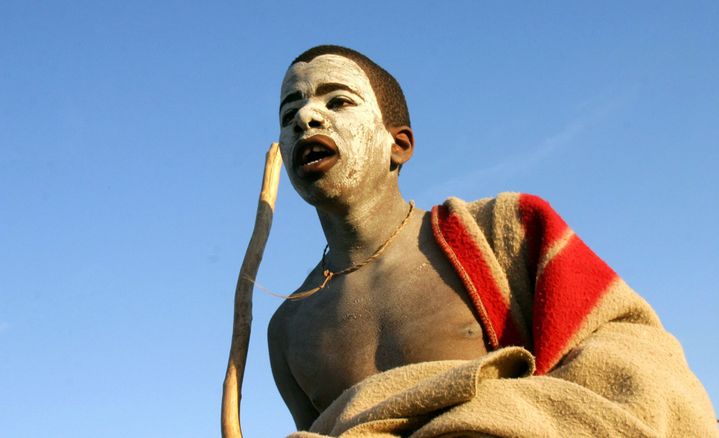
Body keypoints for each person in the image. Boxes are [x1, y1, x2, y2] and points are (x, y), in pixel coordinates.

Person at [267, 45, 716, 436]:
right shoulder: (287, 328)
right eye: (289, 114)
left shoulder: (503, 231)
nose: (306, 117)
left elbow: (631, 357)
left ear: (398, 145)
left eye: (339, 101)